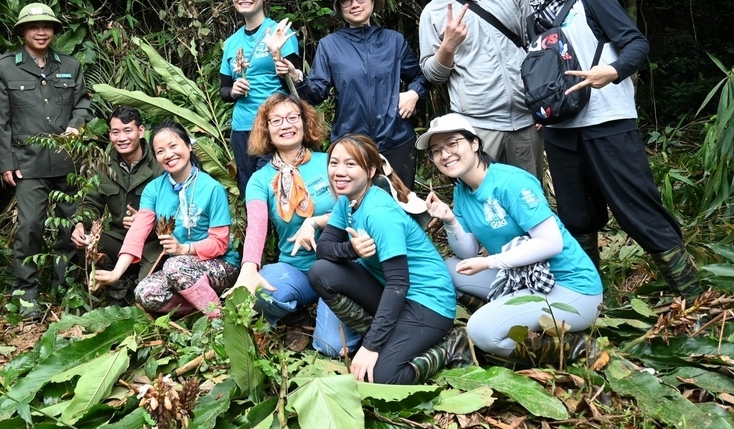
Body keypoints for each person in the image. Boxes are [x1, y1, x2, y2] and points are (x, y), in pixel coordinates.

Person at [507, 0, 702, 300]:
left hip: (608, 122)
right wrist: (544, 110)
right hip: (561, 132)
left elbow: (635, 42)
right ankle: (590, 298)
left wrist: (611, 72)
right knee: (577, 216)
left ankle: (693, 297)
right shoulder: (533, 19)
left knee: (638, 210)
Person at [420, 113, 603, 364]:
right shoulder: (462, 191)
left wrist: (491, 262)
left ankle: (575, 346)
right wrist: (450, 220)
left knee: (481, 332)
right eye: (436, 150)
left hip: (571, 287)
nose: (445, 154)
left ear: (474, 143)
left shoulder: (511, 183)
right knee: (449, 269)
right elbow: (467, 252)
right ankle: (505, 313)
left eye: (452, 143)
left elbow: (551, 242)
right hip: (522, 279)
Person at [307, 134, 462, 384]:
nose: (339, 171)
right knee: (321, 272)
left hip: (427, 302)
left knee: (381, 378)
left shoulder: (379, 214)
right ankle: (382, 334)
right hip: (392, 294)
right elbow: (324, 249)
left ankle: (452, 345)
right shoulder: (347, 201)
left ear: (369, 170)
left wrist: (371, 347)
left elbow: (399, 283)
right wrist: (352, 250)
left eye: (350, 164)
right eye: (334, 163)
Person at [230, 94, 360, 355]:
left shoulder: (329, 162)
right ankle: (295, 316)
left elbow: (356, 210)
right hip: (297, 270)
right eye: (275, 120)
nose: (285, 125)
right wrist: (248, 268)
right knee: (258, 291)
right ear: (265, 129)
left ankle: (343, 312)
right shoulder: (260, 179)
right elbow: (256, 226)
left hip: (342, 269)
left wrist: (317, 221)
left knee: (331, 347)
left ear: (304, 122)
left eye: (292, 117)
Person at [276, 0, 428, 188]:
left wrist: (413, 93)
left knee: (400, 208)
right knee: (355, 209)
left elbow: (420, 76)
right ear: (340, 8)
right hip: (350, 144)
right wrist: (295, 76)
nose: (354, 4)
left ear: (373, 0)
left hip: (396, 140)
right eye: (346, 0)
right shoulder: (330, 45)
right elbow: (315, 94)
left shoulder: (393, 40)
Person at [0, 3, 92, 316]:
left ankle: (68, 286)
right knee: (30, 226)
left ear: (54, 31)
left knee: (73, 227)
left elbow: (83, 104)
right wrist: (5, 162)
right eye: (34, 27)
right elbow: (0, 121)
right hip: (27, 163)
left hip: (67, 161)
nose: (41, 32)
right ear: (22, 31)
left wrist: (76, 124)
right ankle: (28, 293)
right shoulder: (4, 68)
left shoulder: (71, 65)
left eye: (47, 26)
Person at [418, 0, 543, 177]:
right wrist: (448, 46)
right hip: (476, 127)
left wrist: (542, 102)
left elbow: (536, 45)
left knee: (529, 197)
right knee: (485, 202)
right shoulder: (433, 12)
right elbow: (433, 74)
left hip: (526, 120)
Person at [94, 121, 239, 317]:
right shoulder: (153, 189)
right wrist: (116, 273)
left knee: (174, 264)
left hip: (220, 265)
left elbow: (220, 243)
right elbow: (138, 232)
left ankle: (218, 316)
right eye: (160, 151)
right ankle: (198, 305)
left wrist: (184, 249)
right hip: (179, 270)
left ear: (188, 145)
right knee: (145, 293)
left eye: (173, 146)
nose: (168, 154)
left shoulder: (212, 188)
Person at [219, 0, 301, 197]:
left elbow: (294, 84)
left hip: (274, 126)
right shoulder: (231, 43)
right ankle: (257, 234)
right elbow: (223, 91)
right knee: (250, 191)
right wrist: (233, 90)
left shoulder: (279, 32)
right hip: (242, 128)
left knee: (276, 189)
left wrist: (279, 57)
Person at [70, 106, 162, 303]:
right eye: (115, 132)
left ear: (141, 130)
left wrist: (145, 221)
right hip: (120, 237)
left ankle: (133, 286)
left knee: (146, 292)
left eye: (128, 130)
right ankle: (118, 291)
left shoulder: (159, 163)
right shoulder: (103, 165)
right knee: (87, 240)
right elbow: (89, 202)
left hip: (155, 241)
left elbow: (177, 210)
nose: (122, 138)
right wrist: (80, 224)